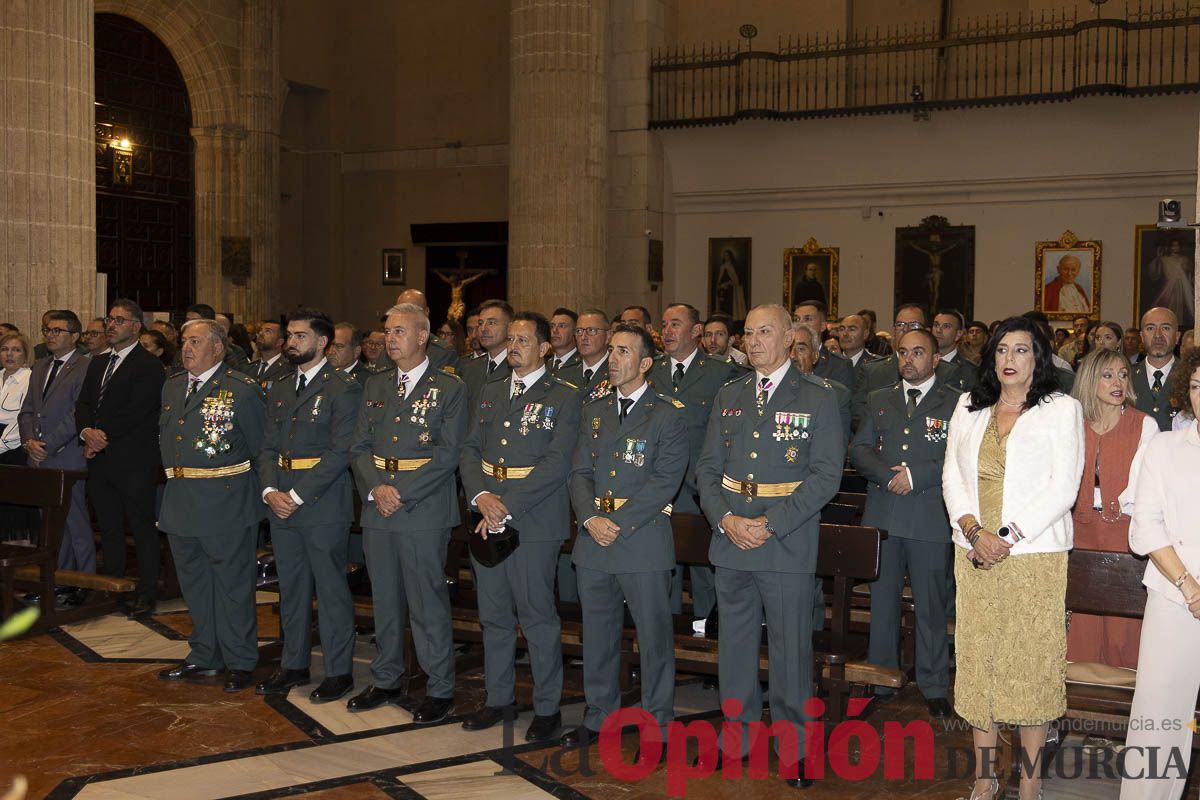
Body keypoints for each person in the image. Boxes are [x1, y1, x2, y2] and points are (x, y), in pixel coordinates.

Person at [695, 304, 844, 788]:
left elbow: (825, 477)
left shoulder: (818, 397)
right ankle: (737, 737)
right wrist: (726, 519)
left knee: (789, 651)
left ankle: (795, 749)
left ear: (789, 340)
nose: (754, 340)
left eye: (765, 331)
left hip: (785, 542)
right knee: (734, 648)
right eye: (749, 332)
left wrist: (770, 525)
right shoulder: (731, 393)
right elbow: (707, 470)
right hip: (733, 540)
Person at [941, 316, 1084, 800]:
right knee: (979, 663)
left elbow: (1063, 487)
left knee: (1029, 668)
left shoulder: (1061, 409)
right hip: (974, 552)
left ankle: (1029, 783)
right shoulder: (969, 405)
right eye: (1002, 350)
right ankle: (984, 778)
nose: (1009, 359)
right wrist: (973, 530)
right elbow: (951, 478)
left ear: (1038, 357)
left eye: (1021, 350)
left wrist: (1004, 536)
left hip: (1033, 556)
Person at [563, 323, 688, 747]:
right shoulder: (593, 409)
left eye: (623, 352)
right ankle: (599, 714)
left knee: (653, 639)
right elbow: (578, 471)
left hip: (641, 540)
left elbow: (665, 479)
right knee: (597, 636)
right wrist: (588, 518)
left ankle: (658, 722)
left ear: (646, 363)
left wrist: (619, 522)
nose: (612, 360)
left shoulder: (667, 412)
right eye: (611, 351)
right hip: (594, 538)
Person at [459, 311, 581, 743]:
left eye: (523, 340)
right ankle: (498, 698)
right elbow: (470, 448)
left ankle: (547, 707)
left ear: (545, 348)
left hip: (533, 520)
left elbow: (557, 464)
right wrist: (481, 497)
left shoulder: (564, 396)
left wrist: (505, 504)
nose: (513, 346)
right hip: (487, 515)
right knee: (493, 614)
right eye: (510, 339)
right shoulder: (490, 390)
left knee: (536, 616)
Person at [348, 303, 467, 722]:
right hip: (378, 505)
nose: (389, 339)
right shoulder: (376, 384)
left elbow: (448, 454)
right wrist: (377, 487)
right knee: (383, 598)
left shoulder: (449, 387)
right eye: (387, 331)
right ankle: (385, 678)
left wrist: (400, 492)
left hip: (423, 508)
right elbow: (358, 446)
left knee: (425, 601)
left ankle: (439, 687)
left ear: (422, 337)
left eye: (399, 331)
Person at [850, 327, 960, 718]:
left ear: (934, 360)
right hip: (884, 513)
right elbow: (859, 448)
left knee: (931, 605)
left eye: (917, 353)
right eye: (902, 353)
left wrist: (915, 475)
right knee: (882, 601)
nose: (908, 360)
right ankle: (882, 677)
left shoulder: (956, 403)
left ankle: (933, 684)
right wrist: (886, 475)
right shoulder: (880, 398)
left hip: (929, 516)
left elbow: (959, 455)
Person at [255, 310, 361, 702]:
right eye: (289, 336)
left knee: (330, 589)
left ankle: (338, 671)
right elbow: (266, 447)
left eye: (300, 336)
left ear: (322, 343)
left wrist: (296, 496)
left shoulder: (342, 388)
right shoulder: (281, 387)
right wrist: (269, 491)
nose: (291, 342)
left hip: (320, 503)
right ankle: (293, 664)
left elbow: (341, 452)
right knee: (292, 588)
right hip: (280, 498)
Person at [157, 319, 266, 692]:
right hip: (181, 499)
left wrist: (262, 497)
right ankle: (205, 654)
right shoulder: (172, 387)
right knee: (196, 585)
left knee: (233, 587)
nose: (186, 348)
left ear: (217, 348)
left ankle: (240, 659)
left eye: (196, 341)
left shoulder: (241, 389)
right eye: (184, 341)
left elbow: (259, 449)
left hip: (226, 501)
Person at [1119, 346, 1200, 800]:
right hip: (1175, 599)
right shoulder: (1165, 448)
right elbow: (1144, 527)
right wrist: (1189, 586)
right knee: (1159, 721)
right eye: (1196, 386)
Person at [647, 303, 744, 620]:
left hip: (699, 490)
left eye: (676, 324)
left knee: (705, 575)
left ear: (696, 331)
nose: (667, 331)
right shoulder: (650, 370)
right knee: (661, 572)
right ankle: (665, 636)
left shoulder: (720, 372)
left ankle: (705, 642)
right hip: (656, 490)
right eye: (664, 324)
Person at [1065, 349, 1157, 671]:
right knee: (1083, 624)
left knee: (1123, 626)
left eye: (1122, 374)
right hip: (1080, 530)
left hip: (1125, 531)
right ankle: (1080, 701)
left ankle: (1127, 701)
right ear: (1091, 380)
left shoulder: (1143, 425)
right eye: (1107, 375)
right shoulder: (1072, 423)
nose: (1117, 382)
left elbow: (1143, 485)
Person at [76, 299, 166, 618]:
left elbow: (136, 411)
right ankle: (111, 588)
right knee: (109, 527)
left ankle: (146, 592)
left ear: (135, 326)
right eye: (109, 319)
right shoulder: (98, 362)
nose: (110, 325)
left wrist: (99, 437)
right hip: (100, 461)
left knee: (141, 528)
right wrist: (87, 431)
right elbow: (84, 403)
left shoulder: (148, 365)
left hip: (134, 461)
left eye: (119, 320)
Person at [18, 312, 94, 574]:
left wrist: (47, 445)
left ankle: (85, 582)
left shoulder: (86, 365)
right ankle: (56, 581)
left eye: (57, 331)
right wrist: (29, 440)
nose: (50, 335)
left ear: (74, 336)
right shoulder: (40, 366)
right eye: (47, 330)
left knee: (75, 524)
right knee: (49, 525)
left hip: (66, 456)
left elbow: (78, 413)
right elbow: (27, 409)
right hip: (37, 455)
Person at [0, 333, 39, 546]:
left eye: (16, 350)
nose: (9, 354)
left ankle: (19, 559)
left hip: (14, 449)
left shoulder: (30, 378)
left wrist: (1, 445)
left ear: (25, 355)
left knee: (14, 508)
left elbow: (24, 418)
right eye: (5, 349)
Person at [791, 323, 851, 443]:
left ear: (815, 356)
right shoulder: (768, 391)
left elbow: (834, 449)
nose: (792, 355)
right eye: (787, 348)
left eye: (801, 349)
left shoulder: (835, 394)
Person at [1132, 307, 1182, 431]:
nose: (1158, 335)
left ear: (1177, 336)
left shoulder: (1191, 376)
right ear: (1142, 336)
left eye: (1165, 328)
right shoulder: (1126, 376)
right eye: (1150, 328)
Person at [458, 299, 513, 406]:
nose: (483, 329)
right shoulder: (469, 368)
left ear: (510, 327)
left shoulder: (517, 367)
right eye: (480, 323)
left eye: (491, 323)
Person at [793, 300, 853, 389]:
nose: (801, 324)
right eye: (796, 319)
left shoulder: (839, 365)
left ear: (823, 326)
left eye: (808, 319)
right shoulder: (783, 358)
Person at [558, 309, 612, 400]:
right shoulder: (563, 374)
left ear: (608, 336)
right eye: (579, 331)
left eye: (591, 330)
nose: (583, 337)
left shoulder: (617, 372)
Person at [1146, 236, 1195, 328]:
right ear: (1170, 247)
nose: (1175, 248)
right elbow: (1155, 273)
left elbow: (1190, 275)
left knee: (1182, 310)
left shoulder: (1185, 259)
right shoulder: (1165, 259)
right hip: (1168, 288)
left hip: (1183, 289)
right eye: (1173, 246)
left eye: (1177, 246)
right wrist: (1158, 258)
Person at [932, 309, 979, 390]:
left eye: (946, 326)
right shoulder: (922, 363)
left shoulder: (970, 371)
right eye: (936, 325)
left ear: (958, 334)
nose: (938, 330)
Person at [249, 320, 291, 389]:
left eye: (268, 331)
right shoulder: (247, 368)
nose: (260, 333)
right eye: (261, 330)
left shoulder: (288, 370)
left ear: (279, 342)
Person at [715, 249, 748, 320]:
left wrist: (728, 283)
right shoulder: (722, 266)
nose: (725, 257)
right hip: (724, 290)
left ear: (730, 256)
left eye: (727, 255)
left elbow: (736, 280)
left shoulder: (733, 266)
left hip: (732, 291)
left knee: (731, 307)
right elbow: (720, 279)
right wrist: (721, 285)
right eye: (724, 255)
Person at [548, 307, 580, 372]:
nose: (554, 330)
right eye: (552, 326)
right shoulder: (542, 365)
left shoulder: (583, 365)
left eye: (561, 326)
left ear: (575, 331)